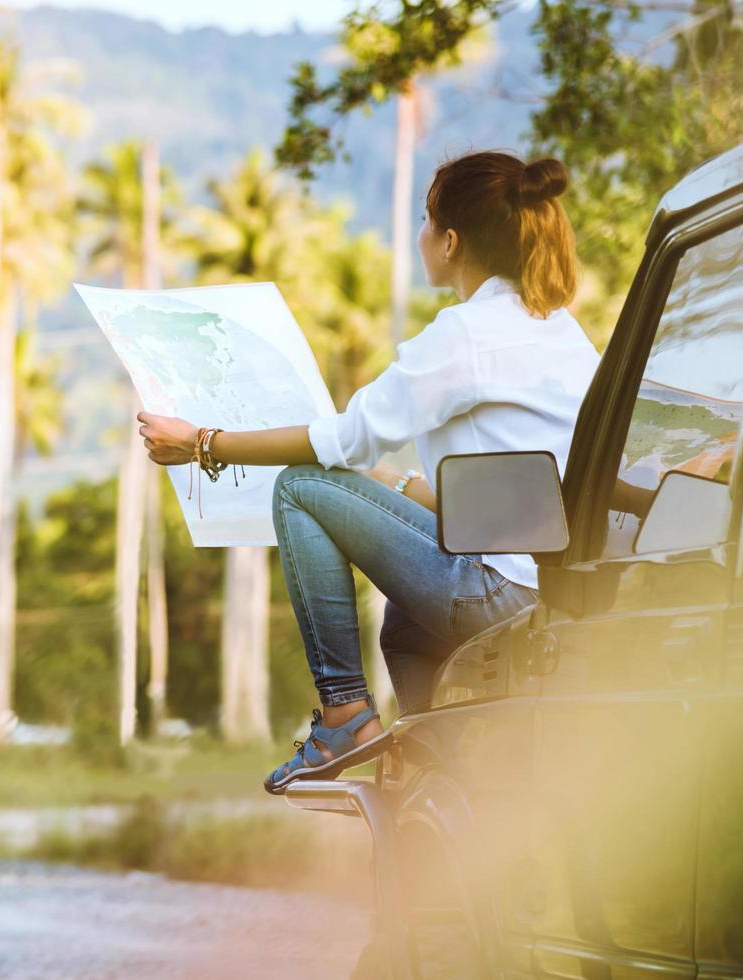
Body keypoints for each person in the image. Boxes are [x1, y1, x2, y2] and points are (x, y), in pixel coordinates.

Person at [135, 151, 600, 793]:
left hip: (502, 595)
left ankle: (345, 716)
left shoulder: (464, 334)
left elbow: (344, 441)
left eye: (424, 220)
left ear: (450, 240)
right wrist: (400, 485)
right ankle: (442, 766)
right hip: (556, 589)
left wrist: (203, 441)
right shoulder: (559, 330)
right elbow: (526, 490)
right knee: (406, 624)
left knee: (302, 489)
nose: (420, 236)